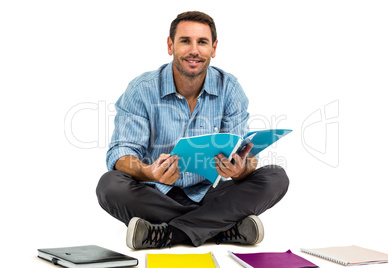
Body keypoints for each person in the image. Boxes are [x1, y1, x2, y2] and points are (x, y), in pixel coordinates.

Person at [96, 11, 289, 250]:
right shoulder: (141, 89)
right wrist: (149, 171)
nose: (194, 50)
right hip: (156, 193)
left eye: (202, 42)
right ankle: (222, 226)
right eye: (185, 41)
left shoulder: (230, 89)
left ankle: (169, 234)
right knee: (110, 185)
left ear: (214, 48)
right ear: (170, 45)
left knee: (275, 177)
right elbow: (121, 152)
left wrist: (239, 170)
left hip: (211, 192)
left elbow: (245, 155)